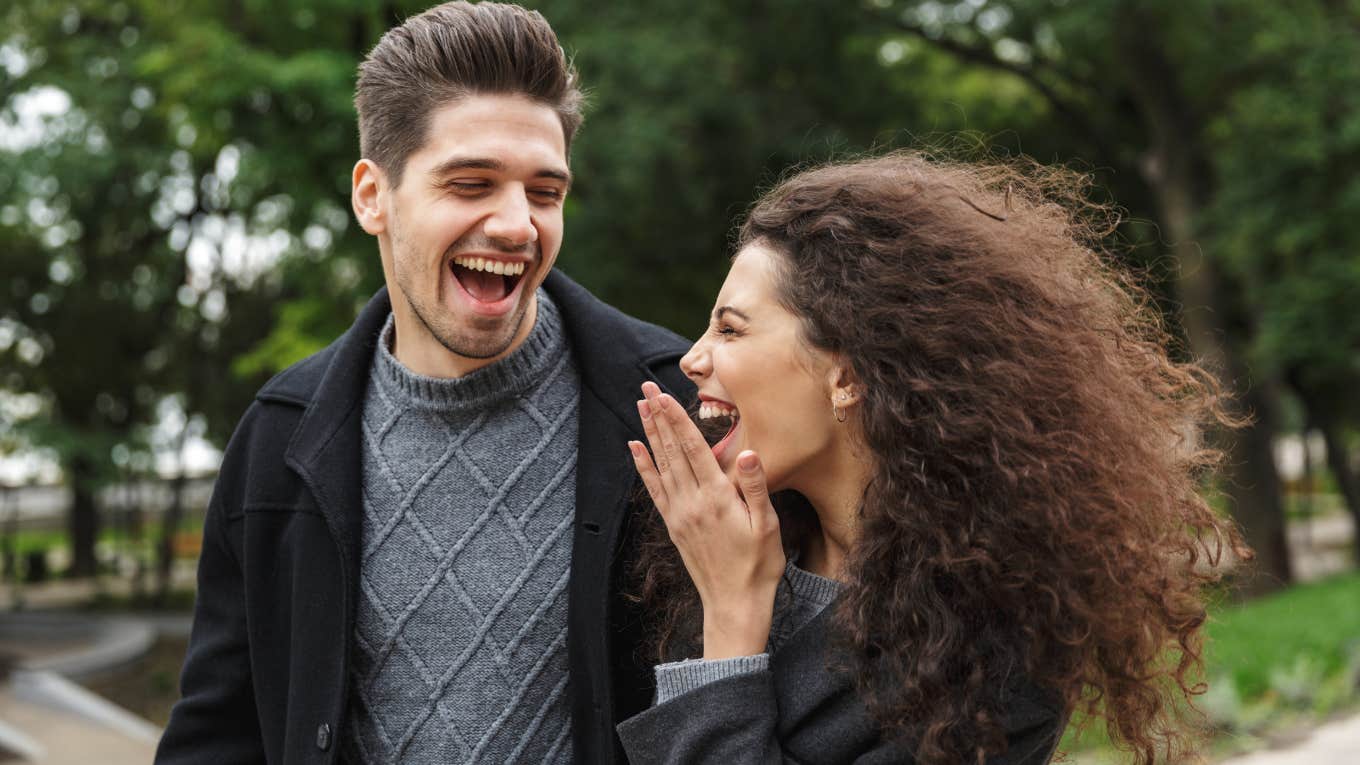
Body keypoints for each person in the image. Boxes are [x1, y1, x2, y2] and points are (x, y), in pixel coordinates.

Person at [155, 3, 691, 763]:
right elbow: (217, 733)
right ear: (373, 196)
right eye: (472, 184)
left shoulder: (675, 410)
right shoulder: (278, 439)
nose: (517, 225)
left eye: (545, 192)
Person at [617, 153, 1249, 764]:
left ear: (848, 374)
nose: (692, 359)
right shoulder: (708, 547)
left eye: (730, 329)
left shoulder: (995, 655)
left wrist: (731, 623)